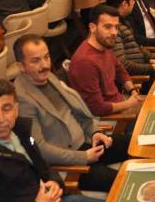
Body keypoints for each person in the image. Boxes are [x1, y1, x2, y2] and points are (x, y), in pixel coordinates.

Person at [14, 34, 131, 191]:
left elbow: (78, 113)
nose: (45, 65)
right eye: (35, 61)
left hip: (88, 143)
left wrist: (95, 132)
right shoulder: (22, 100)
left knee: (136, 143)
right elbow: (39, 148)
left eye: (47, 57)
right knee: (124, 183)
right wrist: (83, 157)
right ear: (21, 66)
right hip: (71, 162)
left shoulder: (50, 78)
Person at [68, 5, 143, 117]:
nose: (114, 32)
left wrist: (132, 90)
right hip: (113, 117)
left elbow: (119, 70)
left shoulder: (104, 44)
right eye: (108, 27)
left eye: (116, 27)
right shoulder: (85, 63)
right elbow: (97, 108)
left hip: (122, 101)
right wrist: (128, 104)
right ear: (93, 27)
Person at [105, 0, 155, 91]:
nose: (134, 3)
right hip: (139, 79)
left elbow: (135, 45)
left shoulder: (124, 20)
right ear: (124, 4)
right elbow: (122, 65)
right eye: (132, 0)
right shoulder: (113, 28)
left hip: (144, 68)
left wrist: (149, 58)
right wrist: (150, 68)